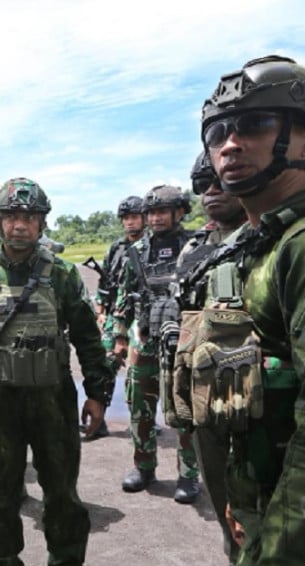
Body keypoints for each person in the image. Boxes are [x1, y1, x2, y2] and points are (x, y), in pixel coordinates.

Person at [189, 54, 305, 566]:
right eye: (217, 132)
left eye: (254, 124)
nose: (229, 144)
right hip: (261, 499)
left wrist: (280, 546)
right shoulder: (252, 246)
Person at [0, 177, 113, 565]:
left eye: (29, 216)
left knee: (62, 496)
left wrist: (97, 394)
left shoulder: (62, 274)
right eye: (11, 216)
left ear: (42, 224)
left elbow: (89, 338)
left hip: (53, 403)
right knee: (3, 496)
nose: (20, 224)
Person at [167, 150, 247, 564]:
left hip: (266, 404)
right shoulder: (192, 251)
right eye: (202, 186)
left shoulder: (278, 239)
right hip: (210, 400)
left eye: (218, 182)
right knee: (227, 513)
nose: (211, 192)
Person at [113, 184, 201, 502]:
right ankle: (144, 466)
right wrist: (120, 336)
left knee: (185, 410)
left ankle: (189, 475)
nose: (156, 217)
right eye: (151, 212)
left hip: (186, 339)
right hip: (146, 340)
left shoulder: (195, 246)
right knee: (140, 406)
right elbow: (124, 298)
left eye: (162, 211)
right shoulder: (136, 252)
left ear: (179, 212)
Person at [87, 195, 147, 441]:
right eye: (126, 219)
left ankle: (143, 422)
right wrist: (100, 312)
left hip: (144, 314)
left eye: (134, 217)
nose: (130, 223)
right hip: (116, 313)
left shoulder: (151, 245)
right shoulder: (117, 248)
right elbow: (104, 283)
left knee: (142, 370)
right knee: (106, 362)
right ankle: (99, 417)